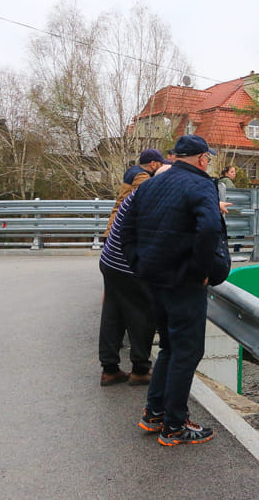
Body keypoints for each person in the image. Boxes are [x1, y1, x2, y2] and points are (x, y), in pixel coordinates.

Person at [120, 134, 224, 446]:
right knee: (187, 351)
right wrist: (200, 271)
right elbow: (208, 228)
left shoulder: (150, 183)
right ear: (202, 159)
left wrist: (139, 264)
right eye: (209, 158)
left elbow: (126, 227)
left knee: (168, 346)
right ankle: (174, 426)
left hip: (153, 279)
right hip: (183, 283)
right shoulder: (202, 184)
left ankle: (154, 414)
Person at [98, 164, 171, 387]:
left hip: (110, 260)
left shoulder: (138, 194)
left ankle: (109, 369)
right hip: (127, 264)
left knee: (113, 313)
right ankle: (140, 369)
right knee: (143, 313)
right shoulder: (155, 200)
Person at [104, 148, 167, 237]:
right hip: (121, 227)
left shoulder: (133, 171)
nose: (162, 167)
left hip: (116, 222)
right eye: (161, 164)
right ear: (153, 164)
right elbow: (145, 201)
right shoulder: (142, 176)